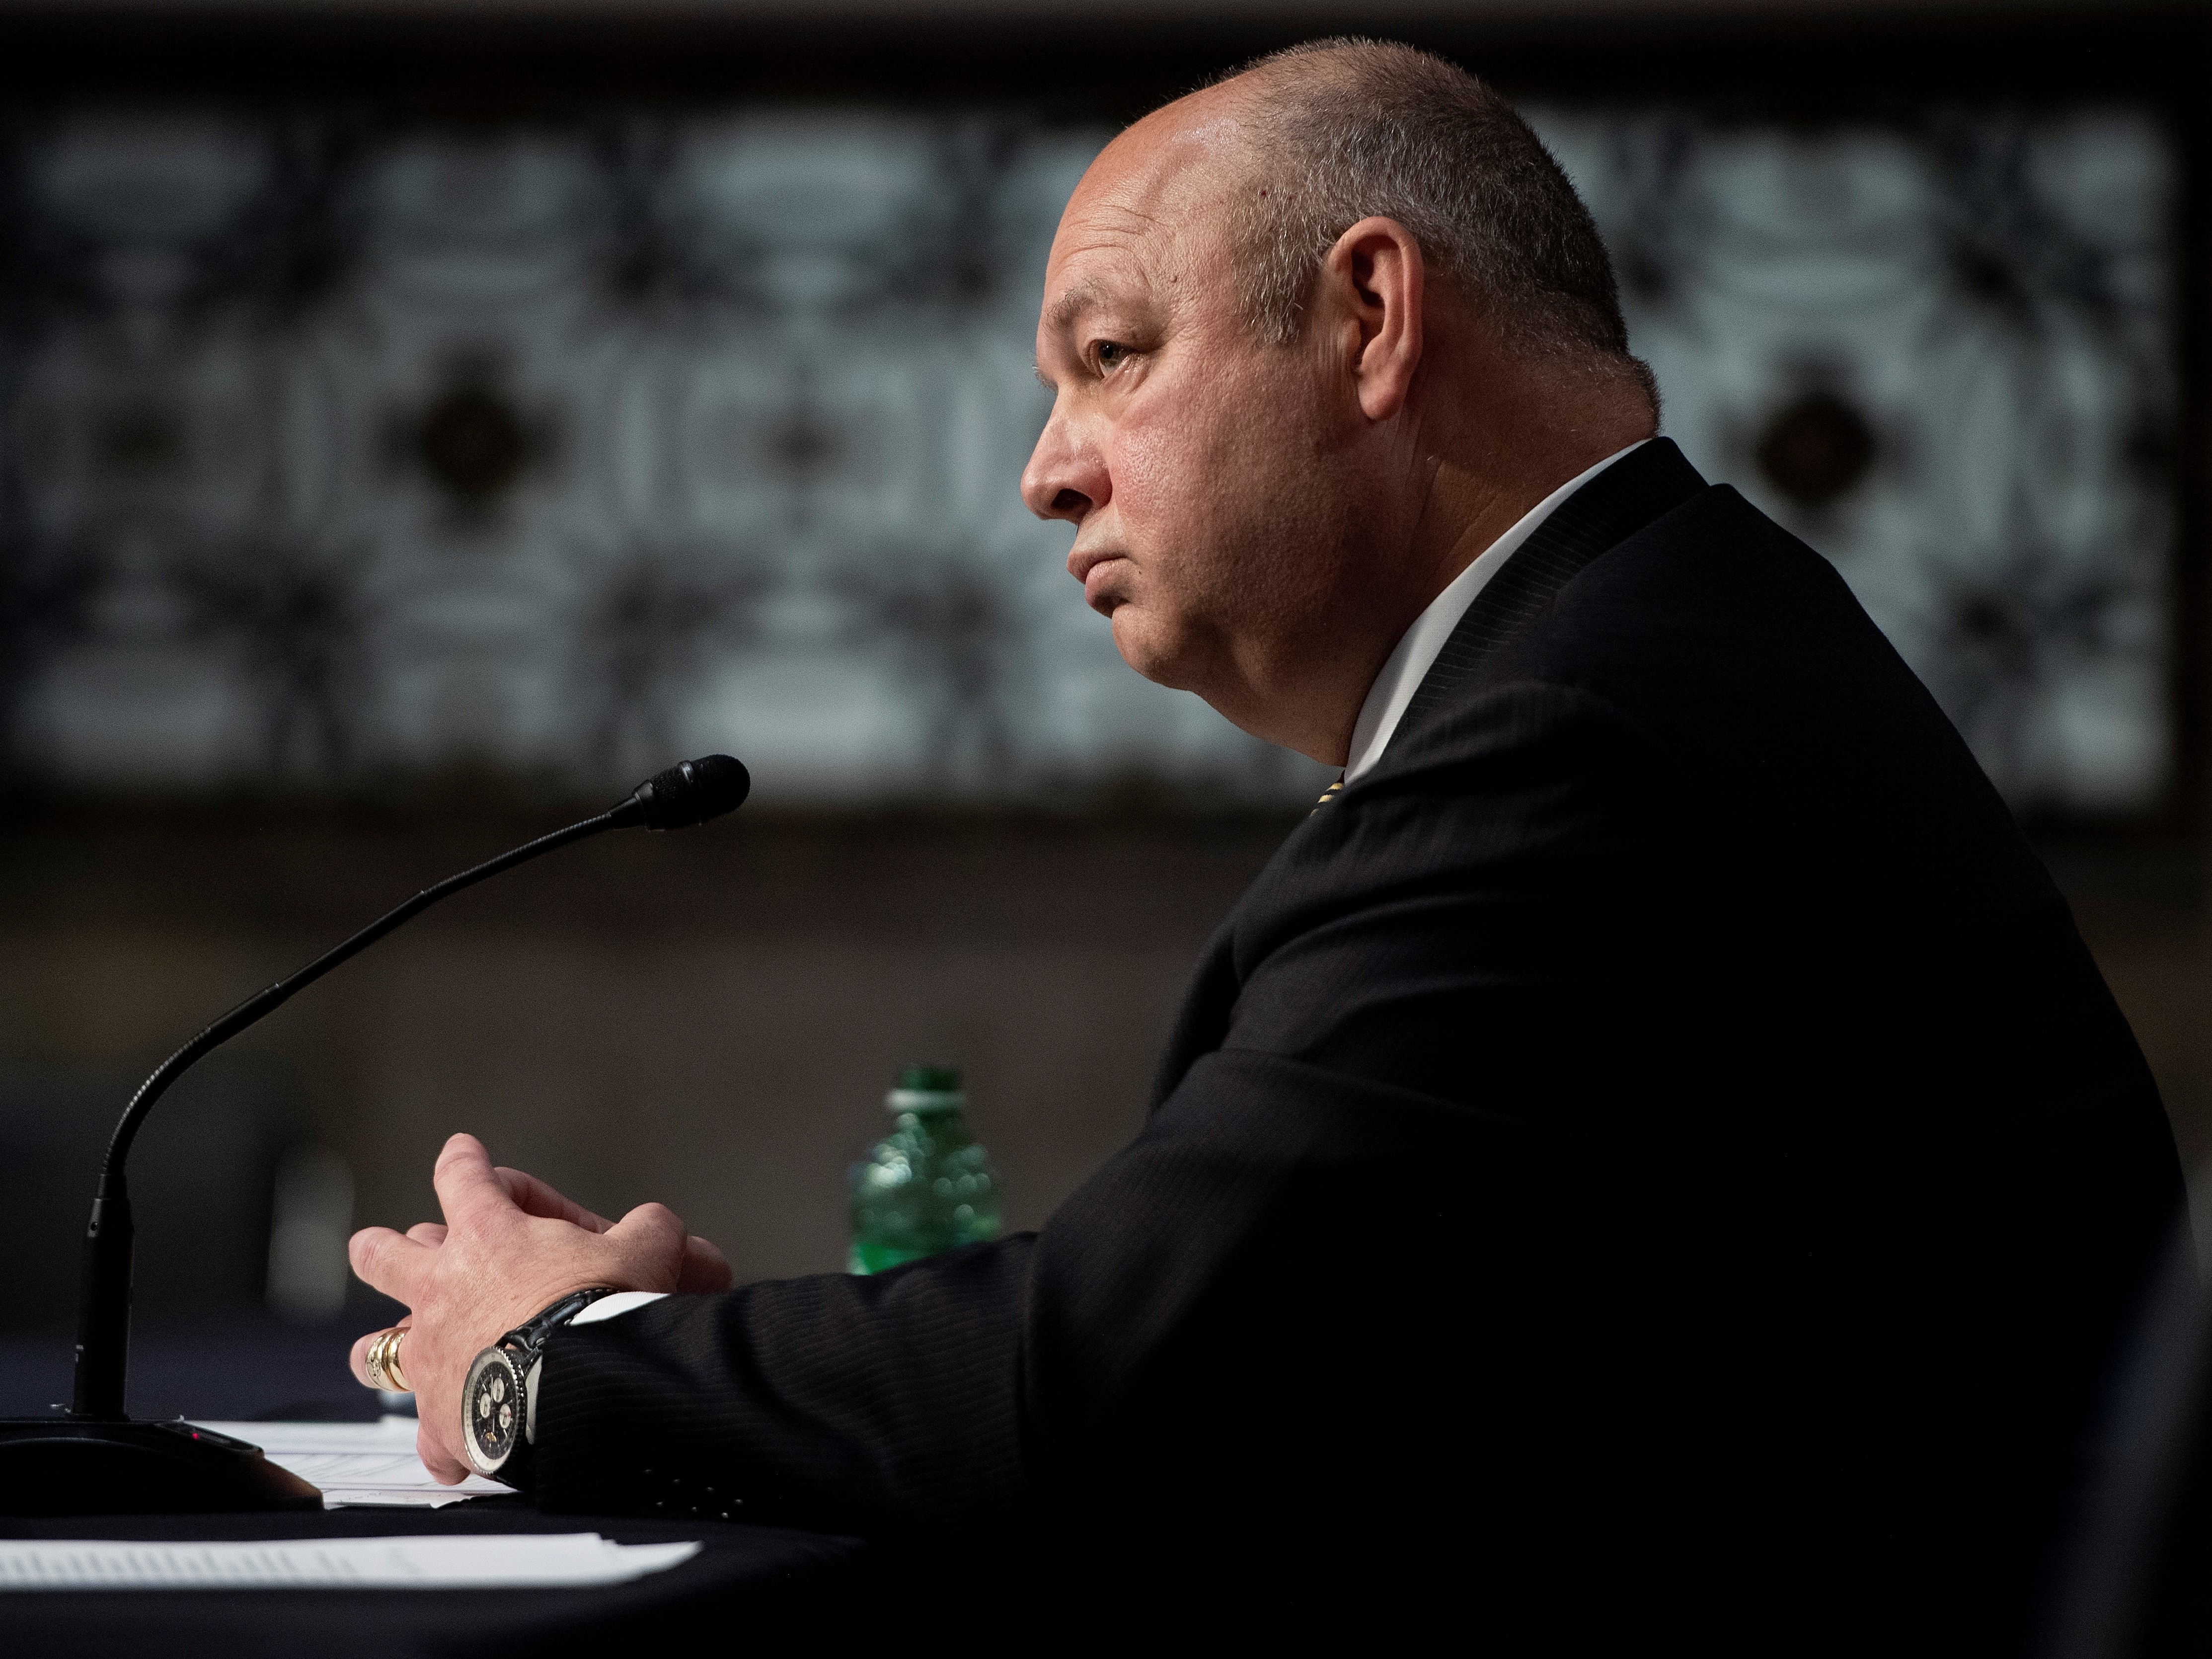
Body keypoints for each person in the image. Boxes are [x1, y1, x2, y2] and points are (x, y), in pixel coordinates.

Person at [348, 40, 2181, 1646]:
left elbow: (1124, 1384)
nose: (1043, 470)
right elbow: (1301, 1363)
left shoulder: (1582, 738)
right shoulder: (1655, 640)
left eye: (1112, 356)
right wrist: (734, 1374)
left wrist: (558, 1365)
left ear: (1370, 321)